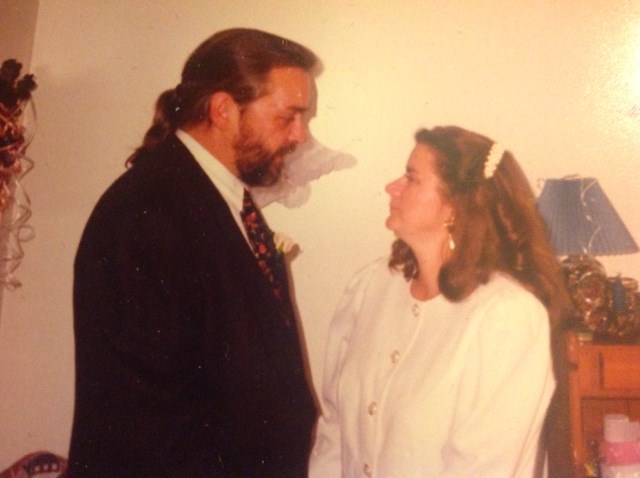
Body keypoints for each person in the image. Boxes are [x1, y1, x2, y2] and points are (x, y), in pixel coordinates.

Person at [68, 28, 319, 477]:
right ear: (223, 109)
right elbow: (148, 419)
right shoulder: (150, 211)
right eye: (289, 117)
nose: (300, 135)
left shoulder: (211, 198)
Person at [308, 126, 572, 477]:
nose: (392, 187)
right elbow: (334, 432)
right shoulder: (369, 288)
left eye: (411, 178)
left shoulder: (506, 317)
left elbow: (482, 468)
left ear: (455, 206)